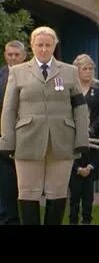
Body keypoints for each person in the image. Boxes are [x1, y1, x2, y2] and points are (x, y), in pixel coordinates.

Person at [0, 26, 89, 225]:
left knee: (57, 192)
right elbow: (9, 109)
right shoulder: (18, 72)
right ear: (32, 46)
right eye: (39, 45)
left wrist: (81, 139)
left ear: (54, 46)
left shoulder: (69, 72)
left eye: (48, 45)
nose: (43, 49)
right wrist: (6, 141)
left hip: (62, 140)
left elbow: (80, 108)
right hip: (27, 140)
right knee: (28, 192)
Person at [68, 54, 99, 224]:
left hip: (94, 139)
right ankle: (73, 218)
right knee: (75, 186)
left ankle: (87, 219)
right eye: (85, 68)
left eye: (91, 68)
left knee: (88, 186)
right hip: (73, 139)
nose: (88, 71)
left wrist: (92, 128)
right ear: (76, 70)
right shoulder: (70, 88)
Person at [0, 40, 27, 225]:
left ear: (24, 56)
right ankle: (7, 217)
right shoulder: (1, 75)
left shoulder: (31, 75)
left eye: (17, 55)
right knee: (5, 180)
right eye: (10, 54)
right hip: (2, 136)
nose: (13, 58)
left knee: (24, 182)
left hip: (26, 136)